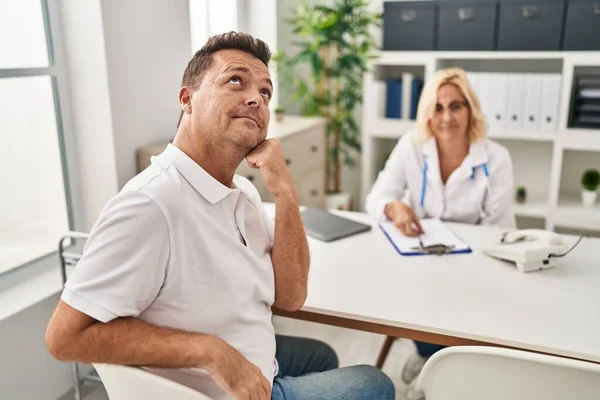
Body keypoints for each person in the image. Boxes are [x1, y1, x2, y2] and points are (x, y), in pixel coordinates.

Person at [45, 32, 395, 400]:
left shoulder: (242, 192)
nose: (255, 99)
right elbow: (64, 337)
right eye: (235, 81)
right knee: (374, 384)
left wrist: (286, 193)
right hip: (214, 392)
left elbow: (291, 297)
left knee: (321, 355)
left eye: (265, 92)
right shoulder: (150, 205)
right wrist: (209, 351)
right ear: (187, 99)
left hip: (251, 358)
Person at [365, 68, 514, 398]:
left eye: (457, 106)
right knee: (413, 299)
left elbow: (496, 229)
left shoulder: (496, 158)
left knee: (464, 312)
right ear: (427, 113)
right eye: (438, 107)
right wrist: (395, 208)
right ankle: (429, 358)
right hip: (424, 260)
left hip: (478, 262)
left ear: (470, 109)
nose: (447, 117)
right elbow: (376, 198)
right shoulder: (411, 147)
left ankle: (443, 365)